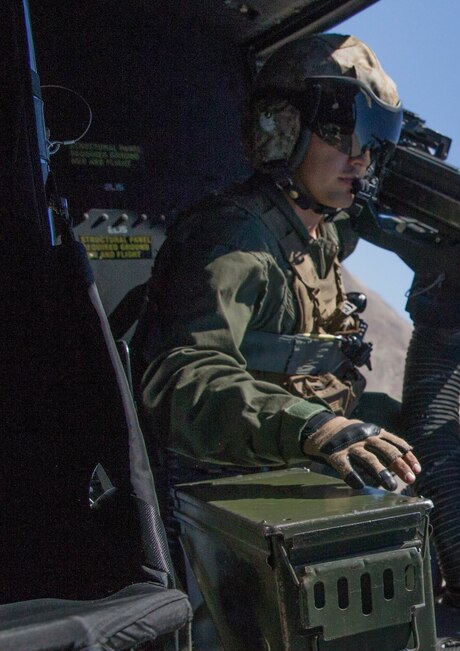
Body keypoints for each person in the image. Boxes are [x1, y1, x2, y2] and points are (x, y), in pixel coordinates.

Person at [132, 34, 420, 493]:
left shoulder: (322, 233)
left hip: (287, 453)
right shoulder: (234, 236)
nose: (362, 157)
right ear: (283, 127)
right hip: (228, 474)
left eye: (374, 140)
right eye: (344, 130)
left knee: (425, 435)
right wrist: (313, 427)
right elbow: (181, 380)